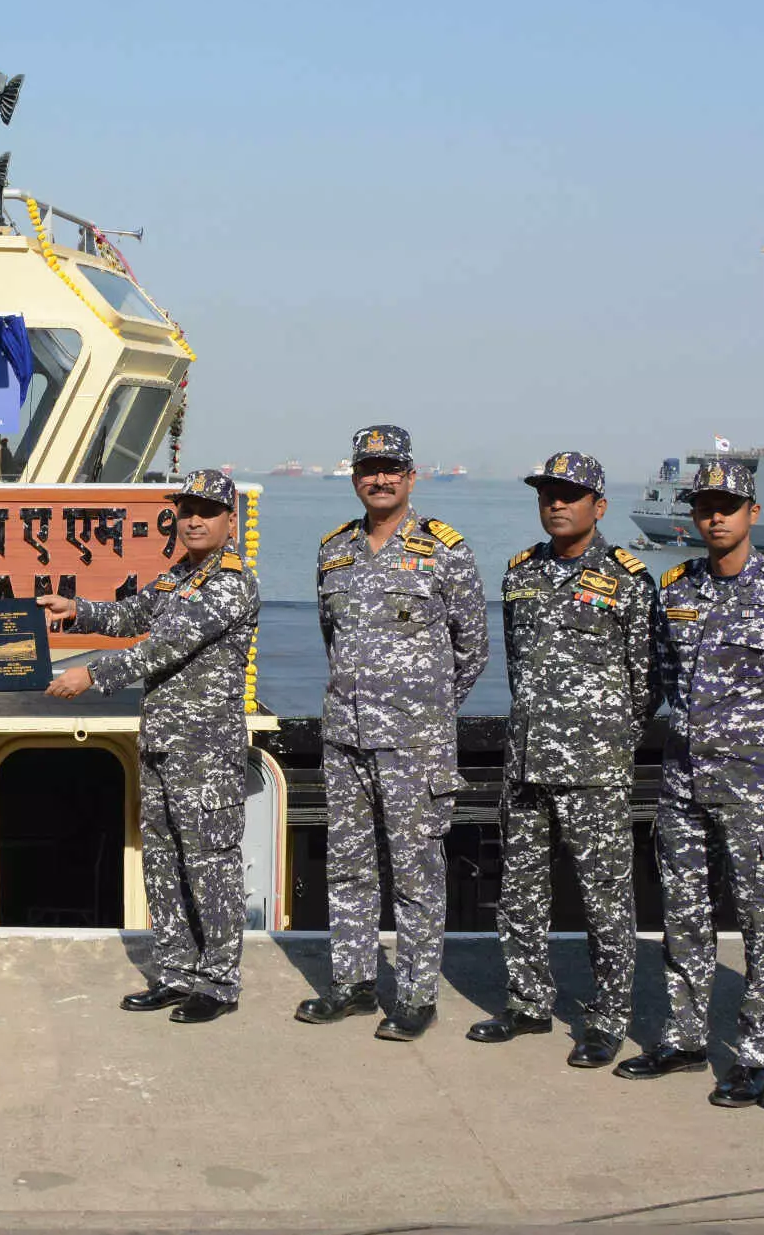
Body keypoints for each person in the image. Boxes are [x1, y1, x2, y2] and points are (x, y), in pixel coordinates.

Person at [622, 459, 764, 1104]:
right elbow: (662, 677)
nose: (714, 517)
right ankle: (684, 1036)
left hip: (755, 781)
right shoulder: (674, 587)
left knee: (761, 920)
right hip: (683, 779)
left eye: (727, 506)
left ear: (751, 514)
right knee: (684, 913)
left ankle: (759, 1053)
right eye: (704, 506)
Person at [46, 468, 261, 1023]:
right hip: (163, 743)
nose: (193, 519)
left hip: (205, 752)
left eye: (206, 510)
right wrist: (78, 610)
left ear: (229, 520)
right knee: (164, 862)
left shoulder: (231, 582)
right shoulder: (177, 577)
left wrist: (91, 676)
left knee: (210, 864)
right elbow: (132, 616)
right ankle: (174, 972)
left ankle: (217, 981)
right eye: (186, 509)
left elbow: (161, 647)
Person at [298, 426, 488, 1040]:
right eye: (367, 469)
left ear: (411, 476)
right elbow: (335, 641)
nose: (379, 479)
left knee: (416, 871)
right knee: (348, 866)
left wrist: (426, 711)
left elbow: (474, 648)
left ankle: (414, 996)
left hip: (415, 743)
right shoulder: (334, 551)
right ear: (355, 477)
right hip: (345, 738)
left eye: (390, 469)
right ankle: (352, 985)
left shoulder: (444, 550)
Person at [472, 450, 654, 1067]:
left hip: (593, 768)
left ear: (598, 506)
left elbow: (644, 682)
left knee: (605, 898)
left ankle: (607, 1019)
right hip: (526, 762)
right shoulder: (519, 572)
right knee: (521, 889)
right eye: (548, 493)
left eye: (570, 495)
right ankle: (527, 1003)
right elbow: (519, 664)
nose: (556, 503)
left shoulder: (629, 579)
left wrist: (604, 743)